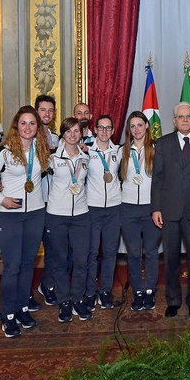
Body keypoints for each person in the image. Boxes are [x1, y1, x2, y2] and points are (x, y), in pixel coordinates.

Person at [0, 106, 51, 337]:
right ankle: (8, 315)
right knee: (12, 267)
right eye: (23, 123)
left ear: (37, 127)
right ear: (16, 126)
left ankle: (22, 308)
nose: (28, 127)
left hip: (35, 214)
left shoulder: (41, 150)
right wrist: (2, 199)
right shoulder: (3, 152)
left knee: (27, 264)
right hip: (9, 215)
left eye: (32, 123)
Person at [151, 102, 190, 318]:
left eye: (189, 116)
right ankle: (173, 300)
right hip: (169, 210)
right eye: (181, 116)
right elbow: (157, 178)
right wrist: (156, 208)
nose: (185, 120)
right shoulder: (163, 143)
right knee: (170, 259)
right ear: (174, 120)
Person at [44, 117, 93, 323]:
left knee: (81, 261)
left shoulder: (86, 157)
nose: (73, 135)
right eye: (69, 131)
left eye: (76, 131)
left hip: (81, 215)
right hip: (56, 215)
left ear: (81, 133)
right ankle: (64, 301)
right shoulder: (51, 157)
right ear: (62, 133)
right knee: (60, 262)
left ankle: (78, 299)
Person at [119, 111, 160, 312]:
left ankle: (150, 291)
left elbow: (163, 182)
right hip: (127, 210)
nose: (136, 129)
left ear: (146, 127)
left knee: (151, 252)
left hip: (151, 210)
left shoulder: (156, 150)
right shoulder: (121, 151)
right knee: (134, 254)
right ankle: (138, 292)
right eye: (133, 126)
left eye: (140, 125)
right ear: (129, 129)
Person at [84, 114, 123, 310]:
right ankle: (90, 291)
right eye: (101, 127)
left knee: (109, 252)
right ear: (95, 129)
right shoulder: (86, 151)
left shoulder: (120, 151)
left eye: (108, 128)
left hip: (114, 208)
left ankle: (105, 290)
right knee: (91, 252)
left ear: (113, 130)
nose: (105, 131)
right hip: (92, 207)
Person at [35, 94, 59, 308]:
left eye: (51, 111)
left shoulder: (58, 138)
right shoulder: (26, 136)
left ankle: (48, 285)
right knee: (31, 250)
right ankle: (24, 293)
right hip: (33, 202)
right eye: (43, 110)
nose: (47, 114)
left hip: (53, 203)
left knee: (54, 248)